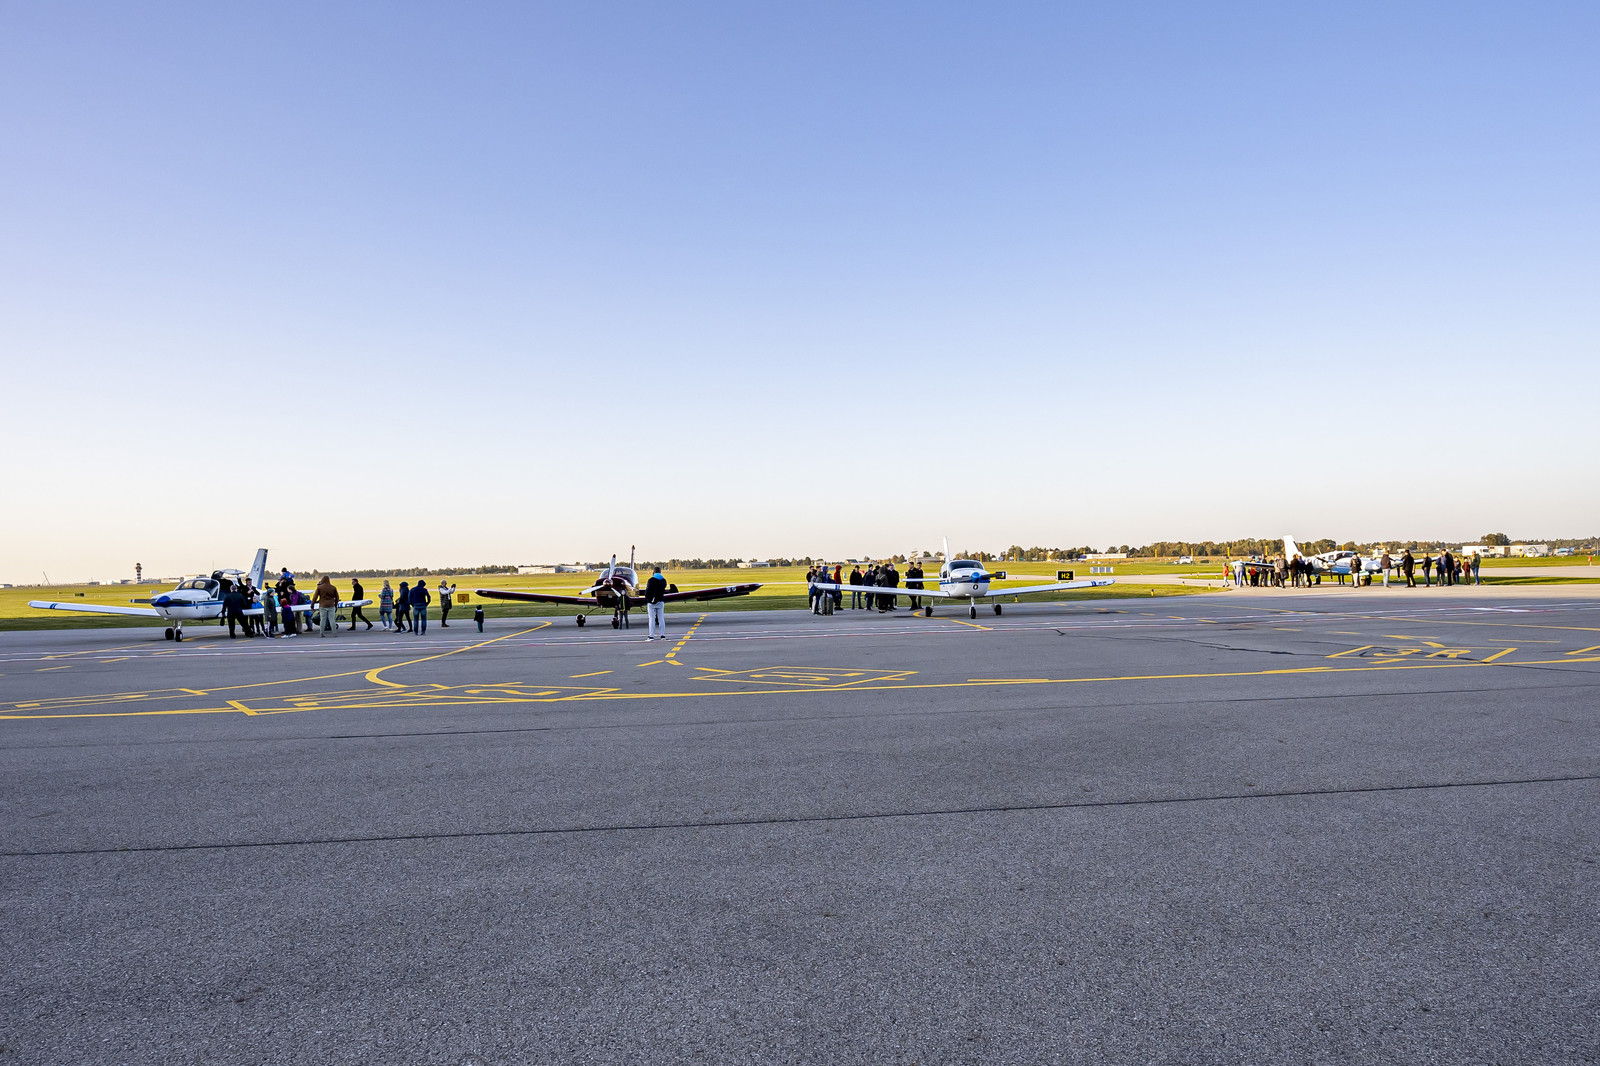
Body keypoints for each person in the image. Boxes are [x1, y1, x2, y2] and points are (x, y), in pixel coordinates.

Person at [645, 565, 668, 639]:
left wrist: (647, 598)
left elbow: (648, 591)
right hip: (660, 601)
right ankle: (662, 635)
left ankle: (651, 635)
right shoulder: (663, 580)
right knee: (661, 618)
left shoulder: (651, 580)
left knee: (651, 619)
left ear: (653, 572)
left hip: (651, 602)